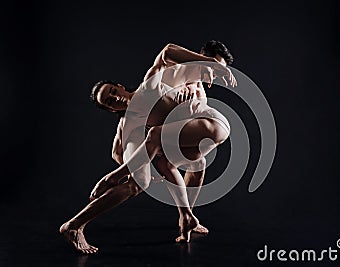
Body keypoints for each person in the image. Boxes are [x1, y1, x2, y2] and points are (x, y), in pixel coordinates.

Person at [59, 41, 236, 254]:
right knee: (140, 181)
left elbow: (172, 54)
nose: (114, 98)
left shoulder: (151, 84)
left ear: (121, 87)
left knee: (197, 163)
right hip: (177, 137)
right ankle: (75, 225)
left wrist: (203, 74)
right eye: (108, 101)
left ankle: (187, 216)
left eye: (113, 91)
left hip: (196, 129)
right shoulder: (128, 125)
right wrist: (138, 167)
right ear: (109, 108)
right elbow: (117, 151)